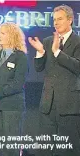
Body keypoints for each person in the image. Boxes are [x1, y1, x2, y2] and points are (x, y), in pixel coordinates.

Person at [28, 4, 80, 156]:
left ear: (70, 20)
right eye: (54, 20)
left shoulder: (78, 42)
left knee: (69, 149)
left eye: (60, 19)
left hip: (70, 105)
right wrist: (40, 52)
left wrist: (57, 52)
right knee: (44, 149)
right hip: (48, 103)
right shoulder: (48, 41)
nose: (56, 23)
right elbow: (39, 68)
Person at [0, 22, 28, 156]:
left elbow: (18, 83)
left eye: (3, 33)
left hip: (12, 107)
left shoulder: (21, 57)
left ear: (13, 36)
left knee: (11, 147)